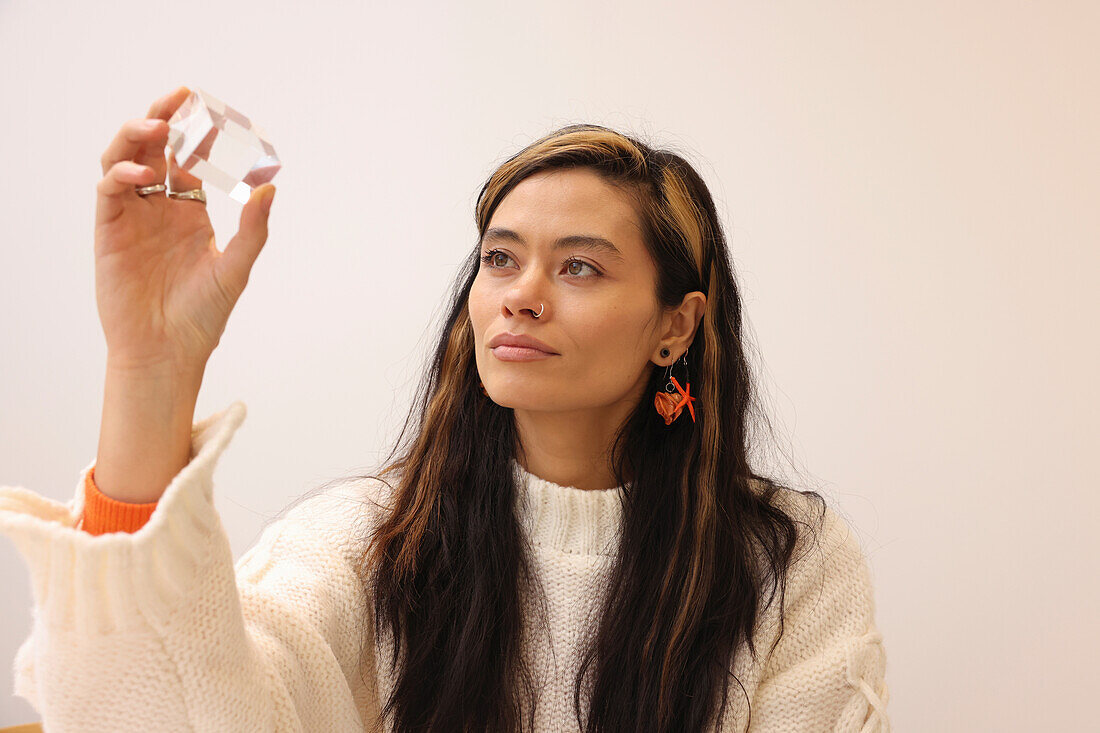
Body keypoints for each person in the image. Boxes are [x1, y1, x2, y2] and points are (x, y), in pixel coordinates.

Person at [0, 85, 890, 732]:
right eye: (501, 260)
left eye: (580, 266)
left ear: (675, 327)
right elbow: (149, 713)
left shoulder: (788, 565)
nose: (521, 294)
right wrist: (150, 364)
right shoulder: (365, 540)